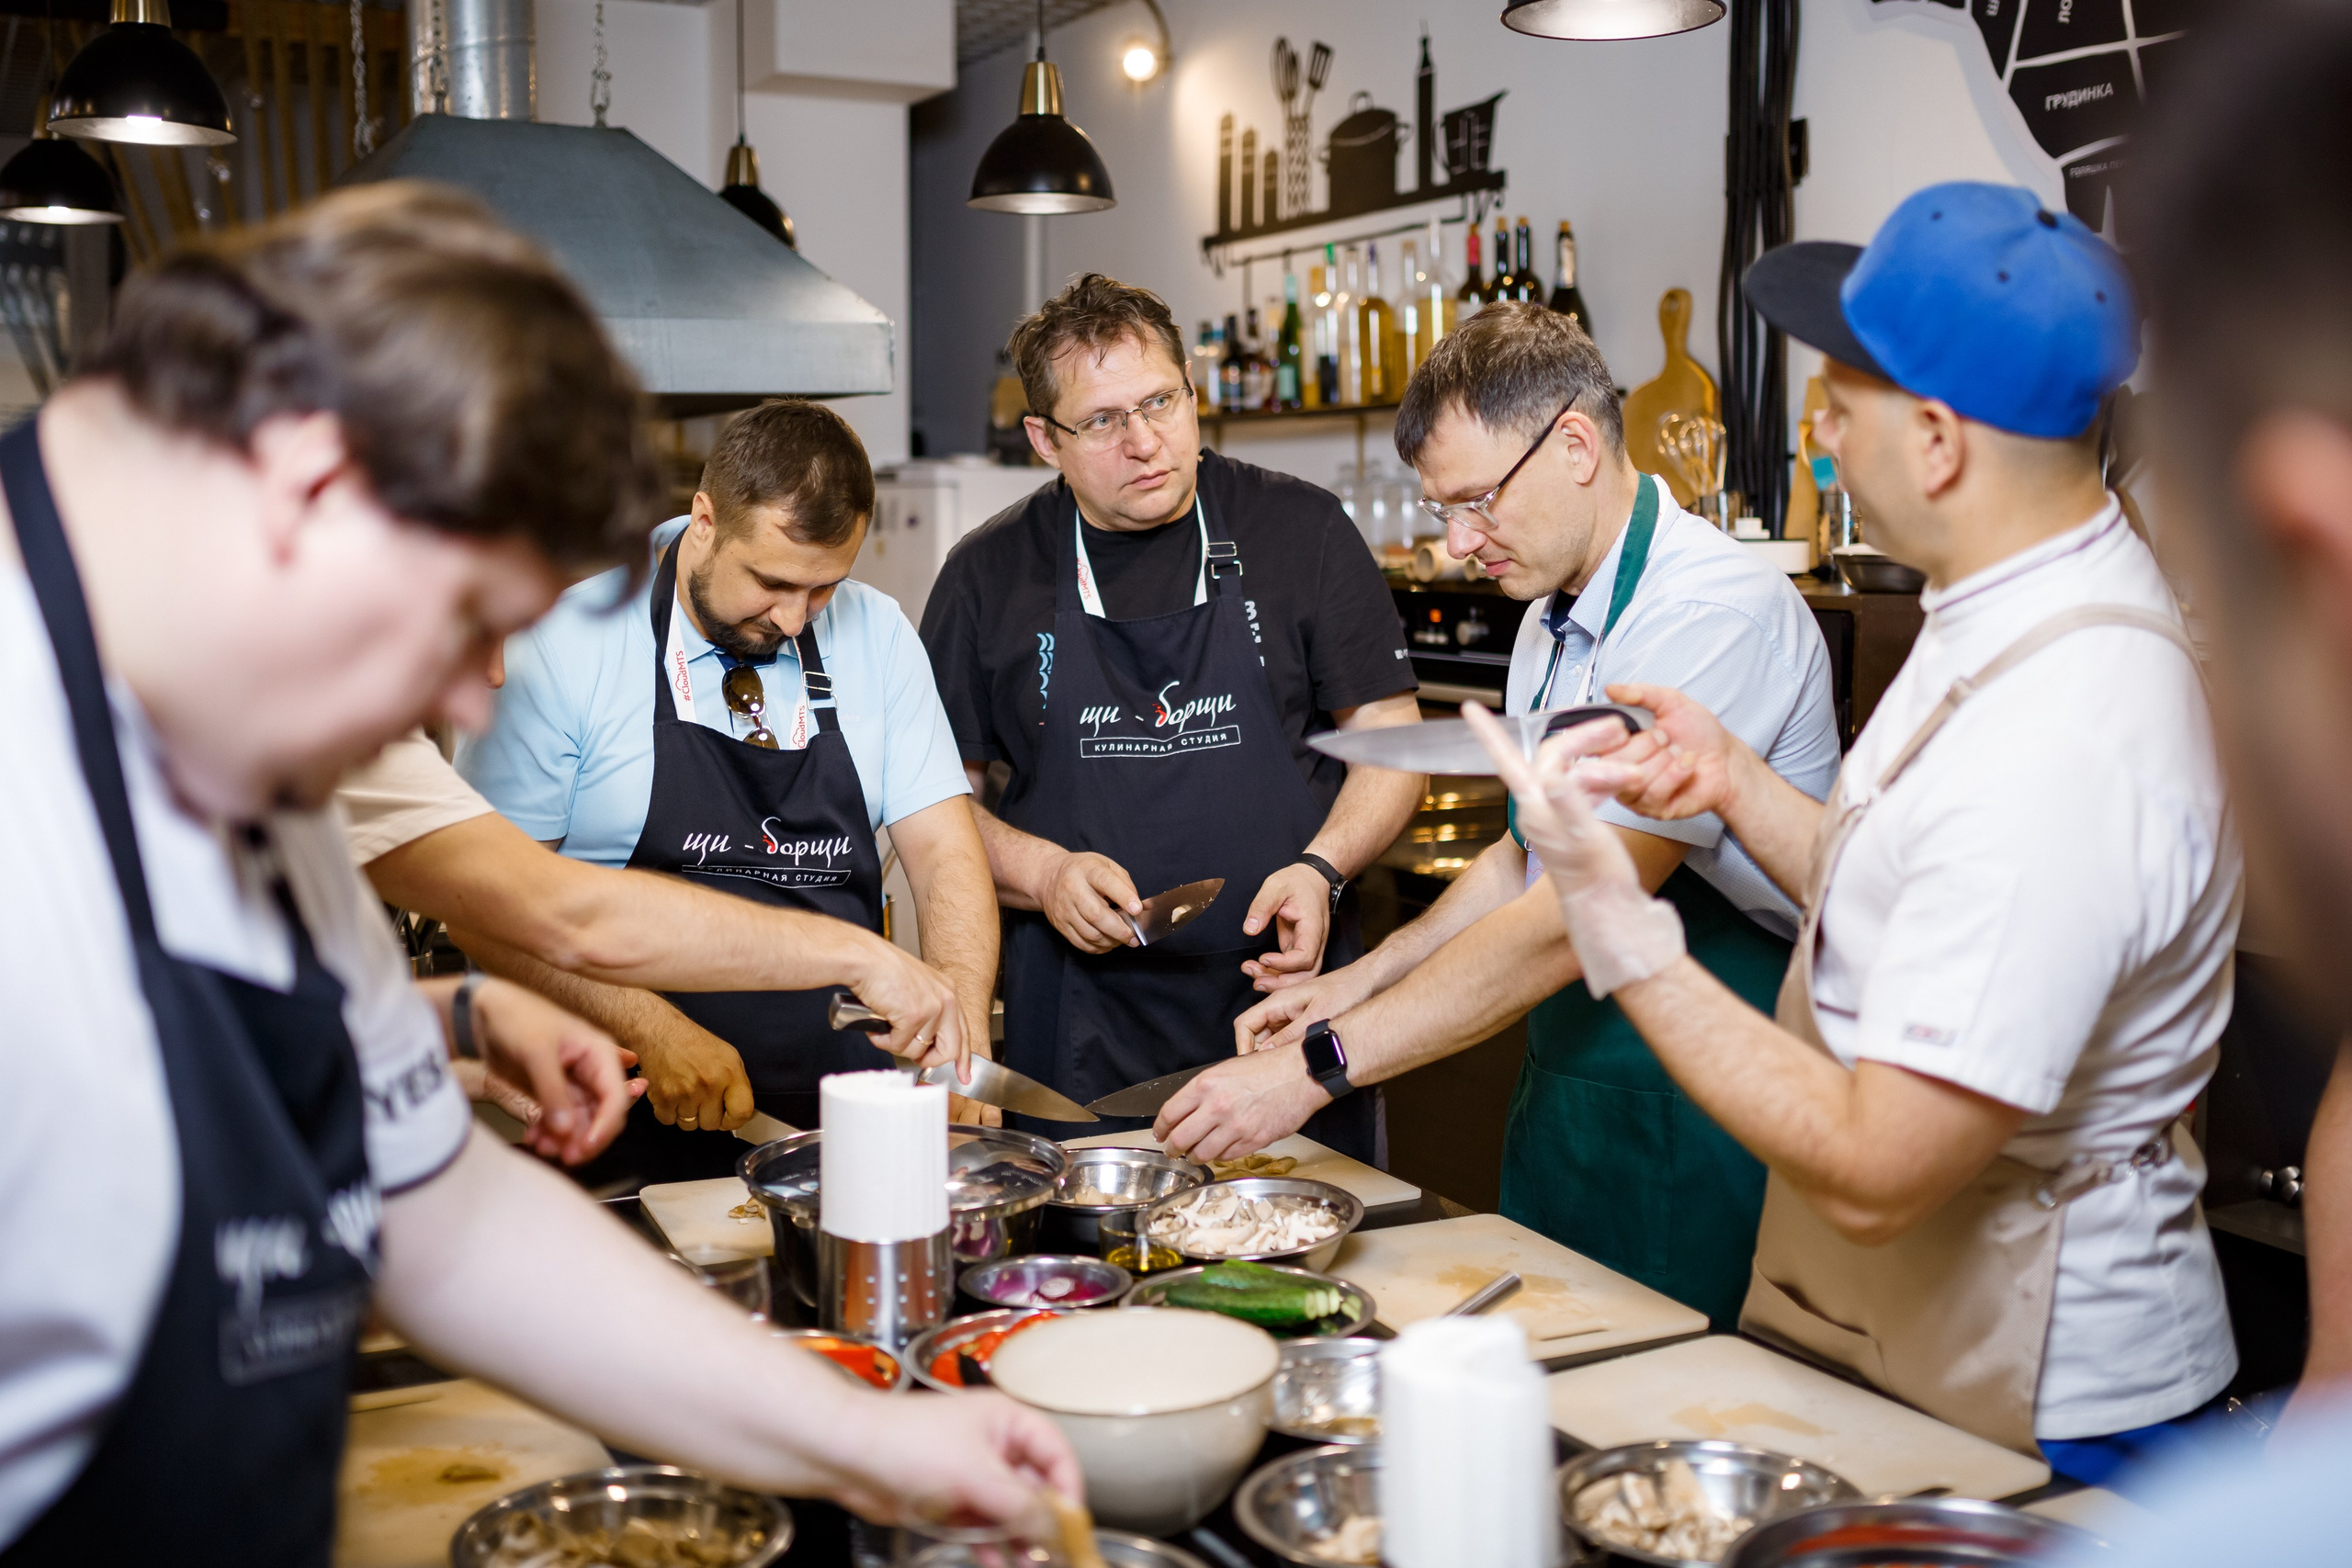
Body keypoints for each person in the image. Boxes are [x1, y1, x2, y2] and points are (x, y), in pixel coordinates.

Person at [0, 184, 1073, 1560]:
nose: (479, 692)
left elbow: (441, 1216)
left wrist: (866, 1440)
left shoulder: (255, 740)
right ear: (315, 487)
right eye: (466, 619)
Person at [1467, 182, 2240, 1469]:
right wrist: (1733, 783)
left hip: (2046, 1395)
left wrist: (1616, 921)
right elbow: (1918, 886)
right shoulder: (1997, 607)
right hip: (1928, 1335)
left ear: (1935, 440)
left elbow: (1881, 1167)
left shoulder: (2065, 724)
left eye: (1835, 402)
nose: (1817, 432)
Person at [1155, 303, 1839, 1328]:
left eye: (1476, 502)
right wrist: (1354, 985)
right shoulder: (1549, 616)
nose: (1459, 542)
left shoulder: (1706, 612)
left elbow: (1572, 915)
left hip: (1710, 1095)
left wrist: (1317, 1068)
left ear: (1574, 446)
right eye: (1443, 510)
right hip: (1573, 1081)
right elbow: (1521, 859)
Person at [918, 274, 1424, 1162]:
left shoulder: (1300, 528)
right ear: (1044, 440)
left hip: (1283, 1011)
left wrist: (1323, 868)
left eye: (1161, 402)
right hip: (1078, 1034)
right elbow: (931, 810)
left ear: (1193, 392)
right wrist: (1043, 873)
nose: (1145, 441)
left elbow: (1393, 742)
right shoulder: (986, 573)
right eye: (1102, 421)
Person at [459, 400, 999, 1184]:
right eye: (772, 582)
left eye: (825, 588)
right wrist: (652, 1027)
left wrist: (961, 1054)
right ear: (704, 520)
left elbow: (947, 855)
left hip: (848, 1127)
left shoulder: (878, 634)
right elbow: (488, 908)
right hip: (629, 1122)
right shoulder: (561, 643)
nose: (794, 618)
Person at [346, 713, 969, 1144]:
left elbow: (309, 1022)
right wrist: (855, 953)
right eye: (469, 625)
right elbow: (561, 912)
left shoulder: (367, 757)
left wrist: (468, 1052)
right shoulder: (359, 760)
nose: (495, 676)